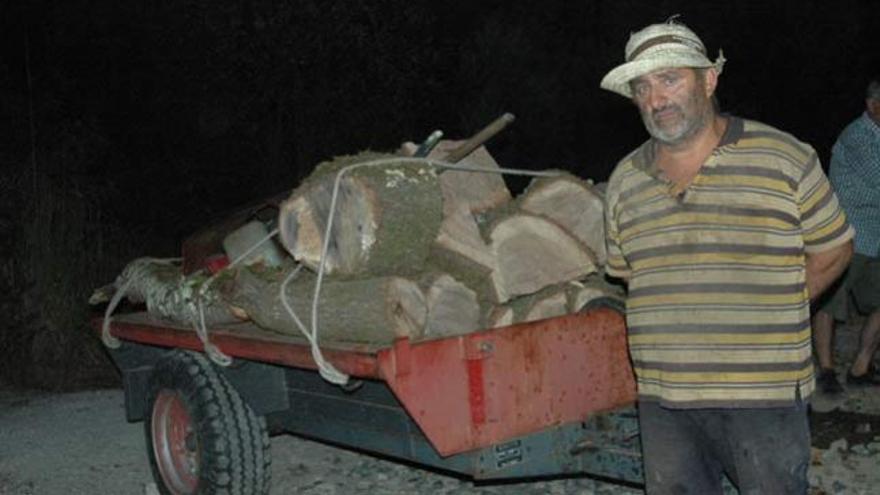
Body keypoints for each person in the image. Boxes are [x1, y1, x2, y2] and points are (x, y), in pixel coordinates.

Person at [600, 20, 854, 494]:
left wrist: (779, 308)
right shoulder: (624, 180)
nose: (657, 100)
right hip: (664, 399)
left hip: (763, 394)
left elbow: (835, 246)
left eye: (670, 79)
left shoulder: (783, 157)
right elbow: (630, 275)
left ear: (708, 80)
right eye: (643, 87)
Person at [812, 76, 880, 396]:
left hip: (876, 238)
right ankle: (825, 370)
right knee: (829, 305)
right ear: (872, 105)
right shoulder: (857, 137)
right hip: (846, 237)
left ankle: (860, 367)